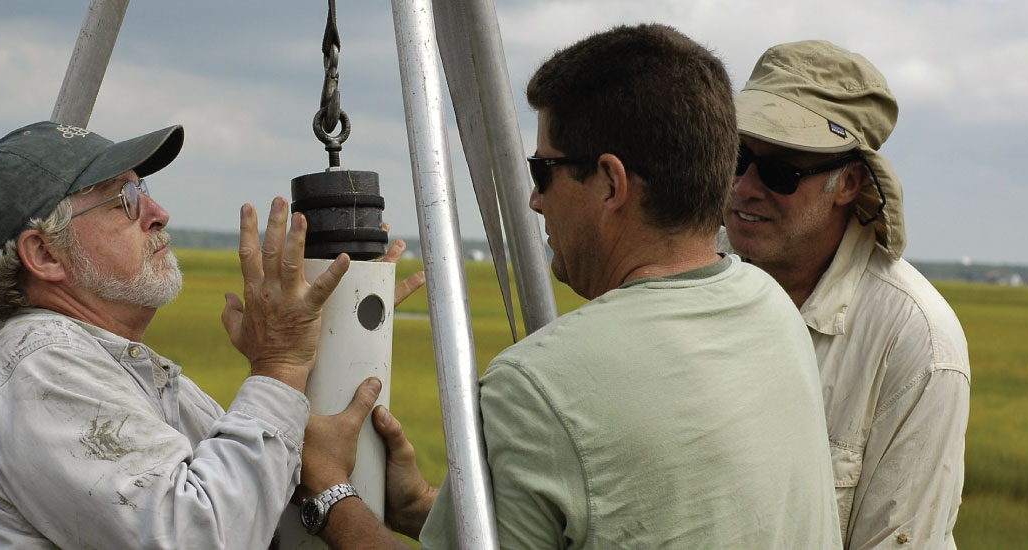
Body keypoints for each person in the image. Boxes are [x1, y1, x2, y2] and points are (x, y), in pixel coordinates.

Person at [298, 24, 842, 549]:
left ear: (610, 183)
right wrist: (421, 505)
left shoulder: (537, 388)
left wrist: (330, 494)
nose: (535, 200)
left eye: (544, 172)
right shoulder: (772, 308)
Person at [0, 120, 388, 549]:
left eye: (144, 189)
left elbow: (259, 503)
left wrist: (334, 330)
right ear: (46, 255)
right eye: (125, 200)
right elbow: (201, 536)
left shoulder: (107, 361)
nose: (158, 212)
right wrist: (279, 364)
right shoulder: (39, 373)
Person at [724, 40, 971, 548]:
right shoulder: (682, 273)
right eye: (736, 157)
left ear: (848, 182)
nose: (746, 186)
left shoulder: (917, 342)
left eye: (780, 172)